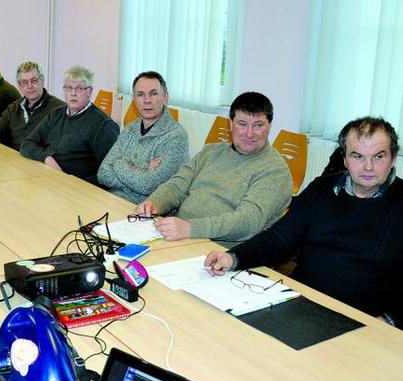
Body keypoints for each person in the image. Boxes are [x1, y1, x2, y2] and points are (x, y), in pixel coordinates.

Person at [204, 116, 403, 326]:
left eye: (379, 157)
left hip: (363, 320)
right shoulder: (321, 190)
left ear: (392, 159)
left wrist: (388, 320)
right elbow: (279, 238)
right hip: (301, 304)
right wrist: (234, 257)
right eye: (358, 156)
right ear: (345, 159)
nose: (368, 166)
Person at [136, 92, 292, 245]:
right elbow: (177, 185)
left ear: (269, 126)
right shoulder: (210, 152)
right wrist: (155, 202)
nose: (249, 133)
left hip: (220, 253)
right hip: (179, 236)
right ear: (231, 124)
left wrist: (190, 228)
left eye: (258, 125)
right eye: (242, 124)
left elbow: (248, 222)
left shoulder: (275, 171)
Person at [97, 71, 189, 203]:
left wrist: (119, 164)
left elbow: (148, 186)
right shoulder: (130, 129)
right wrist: (142, 172)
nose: (147, 100)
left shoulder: (176, 136)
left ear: (165, 97)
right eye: (140, 94)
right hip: (114, 201)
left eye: (153, 93)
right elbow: (103, 174)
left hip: (147, 214)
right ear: (134, 100)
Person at [19, 65, 119, 185]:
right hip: (48, 179)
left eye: (79, 89)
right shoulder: (56, 114)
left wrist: (71, 183)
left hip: (77, 189)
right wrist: (46, 158)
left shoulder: (104, 125)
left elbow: (107, 174)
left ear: (90, 91)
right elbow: (27, 144)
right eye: (68, 88)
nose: (73, 93)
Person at [0, 61, 65, 150]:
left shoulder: (59, 109)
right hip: (16, 161)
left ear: (42, 81)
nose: (29, 86)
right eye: (24, 82)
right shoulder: (15, 107)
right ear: (19, 85)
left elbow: (60, 147)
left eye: (34, 81)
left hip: (39, 164)